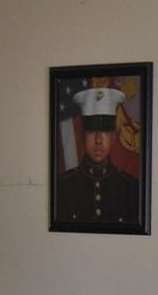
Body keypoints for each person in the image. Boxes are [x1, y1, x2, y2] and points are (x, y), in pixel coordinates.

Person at [55, 86, 139, 225]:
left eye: (104, 131)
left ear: (113, 137)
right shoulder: (62, 187)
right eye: (92, 131)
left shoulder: (132, 189)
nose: (98, 140)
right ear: (83, 136)